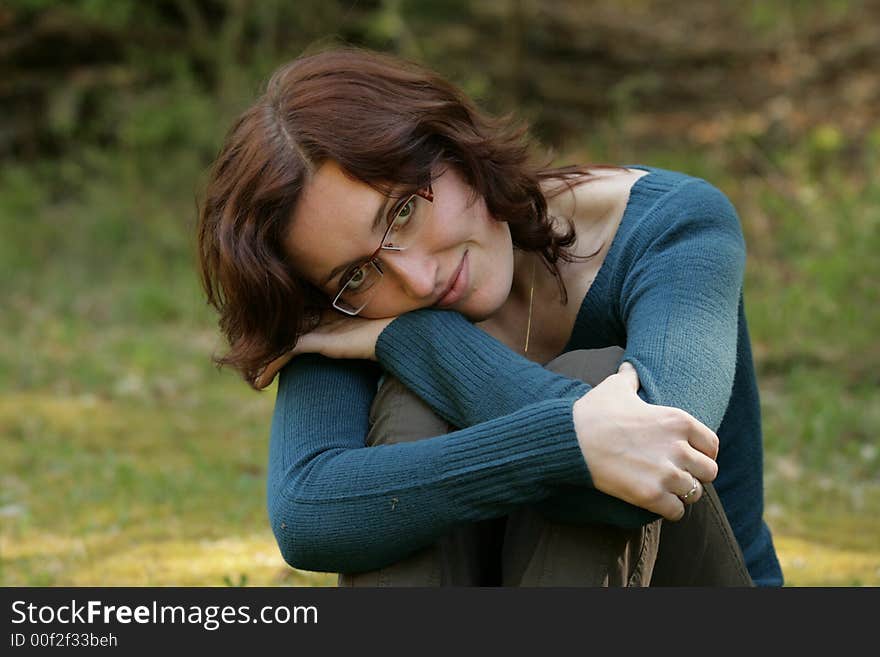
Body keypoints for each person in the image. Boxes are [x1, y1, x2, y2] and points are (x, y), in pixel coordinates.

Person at [196, 46, 783, 586]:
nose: (417, 280)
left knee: (594, 375)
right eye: (356, 274)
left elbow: (654, 468)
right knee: (410, 406)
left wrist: (420, 341)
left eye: (400, 213)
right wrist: (569, 442)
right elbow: (310, 517)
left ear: (449, 146)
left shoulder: (672, 227)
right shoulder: (345, 314)